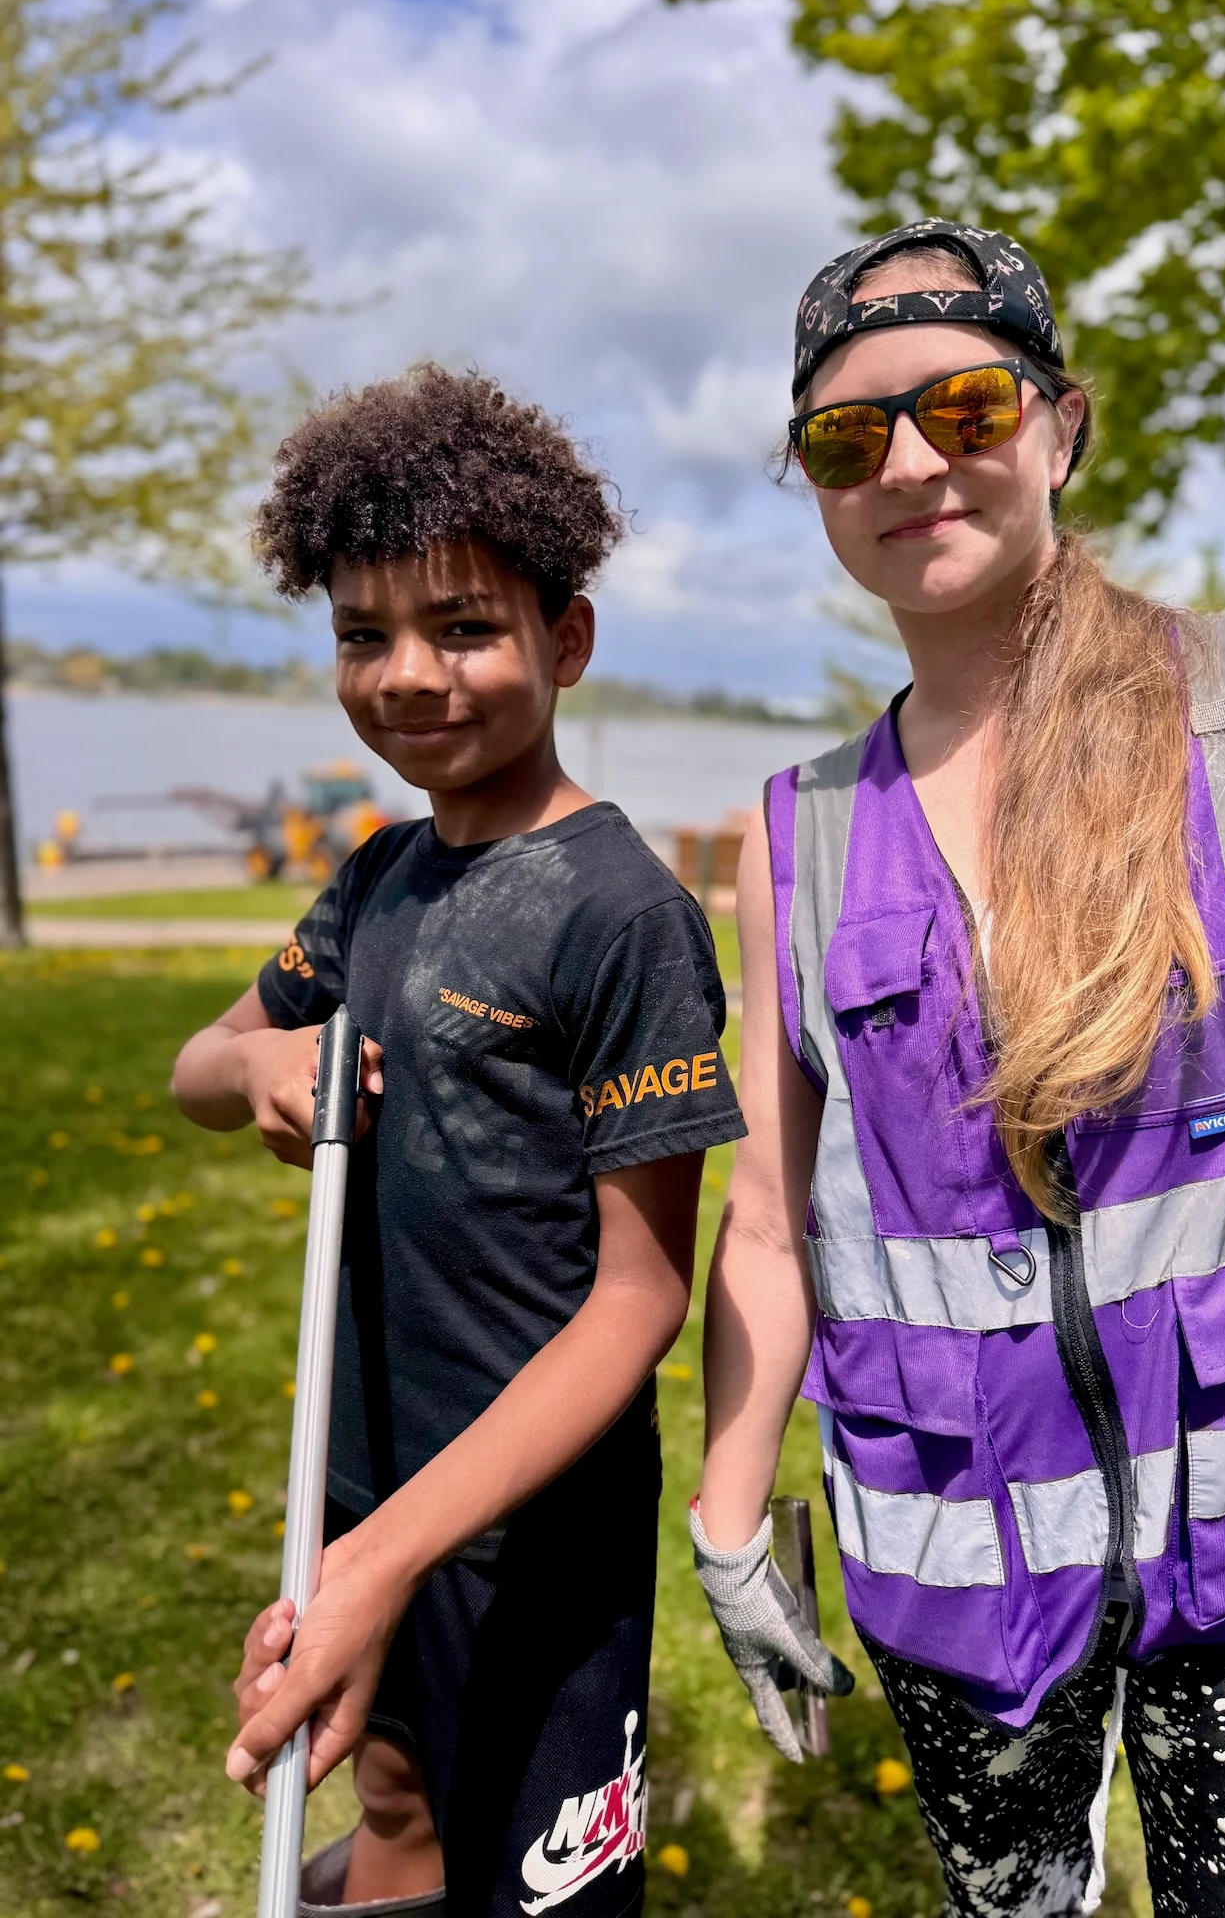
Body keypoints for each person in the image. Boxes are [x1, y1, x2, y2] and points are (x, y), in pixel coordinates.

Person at [688, 219, 1225, 1915]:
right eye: (849, 438)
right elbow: (769, 1220)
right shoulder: (795, 835)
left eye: (966, 408)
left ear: (1064, 425)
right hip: (953, 1577)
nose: (911, 462)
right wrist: (724, 1511)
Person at [173, 365, 746, 1918]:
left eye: (465, 628)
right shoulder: (373, 881)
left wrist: (391, 1562)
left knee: (543, 1876)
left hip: (527, 1531)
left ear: (566, 638)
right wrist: (262, 1066)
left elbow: (640, 1300)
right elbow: (194, 1065)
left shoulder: (625, 915)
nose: (408, 677)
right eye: (363, 635)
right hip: (353, 1471)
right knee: (394, 1784)